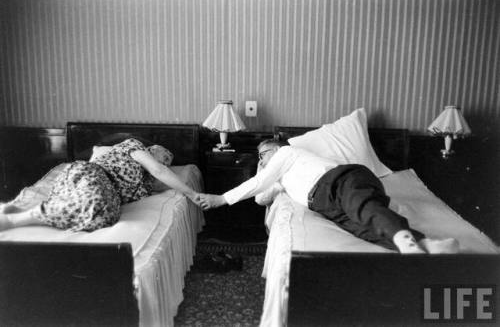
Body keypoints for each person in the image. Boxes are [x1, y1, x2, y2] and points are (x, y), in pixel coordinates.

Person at [198, 139, 459, 254]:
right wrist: (262, 166)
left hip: (340, 180)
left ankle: (408, 245)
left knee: (362, 207)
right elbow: (260, 198)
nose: (262, 160)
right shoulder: (280, 179)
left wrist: (221, 199)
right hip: (322, 203)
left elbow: (258, 183)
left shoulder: (287, 153)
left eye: (263, 154)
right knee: (360, 228)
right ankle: (427, 245)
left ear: (276, 149)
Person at [0, 138, 201, 232]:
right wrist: (192, 193)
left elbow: (162, 178)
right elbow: (159, 170)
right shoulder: (133, 146)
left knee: (105, 217)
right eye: (163, 153)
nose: (165, 159)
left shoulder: (144, 187)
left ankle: (32, 212)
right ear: (151, 149)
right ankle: (18, 220)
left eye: (168, 160)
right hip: (91, 174)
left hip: (104, 191)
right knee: (95, 203)